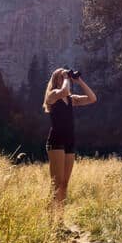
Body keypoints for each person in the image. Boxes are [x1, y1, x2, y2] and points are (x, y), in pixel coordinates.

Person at [43, 67, 97, 212]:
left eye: (64, 77)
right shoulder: (52, 95)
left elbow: (92, 98)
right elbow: (64, 91)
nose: (64, 78)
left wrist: (78, 80)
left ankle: (60, 221)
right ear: (56, 79)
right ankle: (50, 221)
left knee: (65, 183)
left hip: (69, 141)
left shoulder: (71, 99)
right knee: (57, 183)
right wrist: (66, 77)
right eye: (61, 76)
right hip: (56, 141)